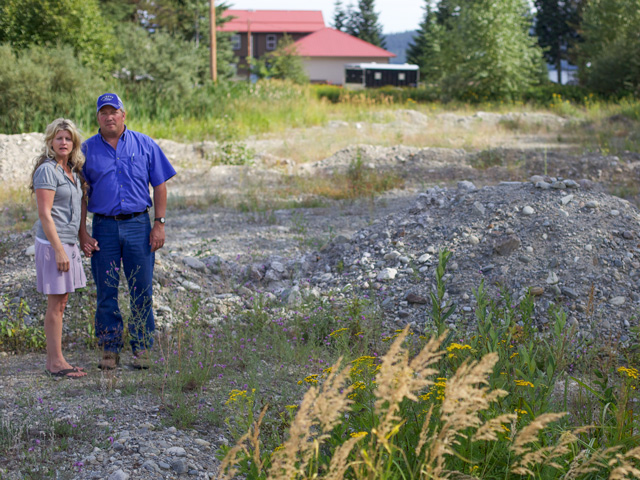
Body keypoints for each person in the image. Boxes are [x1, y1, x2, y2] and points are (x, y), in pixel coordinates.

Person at [80, 93, 176, 370]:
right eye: (103, 112)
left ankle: (142, 347)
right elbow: (81, 194)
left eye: (114, 111)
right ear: (97, 117)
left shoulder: (145, 144)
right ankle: (109, 349)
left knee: (141, 289)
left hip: (138, 225)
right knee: (106, 290)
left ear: (124, 115)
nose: (109, 116)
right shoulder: (86, 150)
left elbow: (159, 185)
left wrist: (159, 223)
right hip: (104, 227)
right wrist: (82, 233)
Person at [31, 118, 88, 379]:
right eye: (58, 138)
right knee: (55, 305)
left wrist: (80, 239)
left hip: (68, 242)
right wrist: (58, 250)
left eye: (67, 138)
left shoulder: (72, 172)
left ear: (73, 142)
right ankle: (55, 363)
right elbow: (45, 214)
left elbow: (73, 212)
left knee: (62, 302)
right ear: (50, 142)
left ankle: (58, 359)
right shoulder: (47, 170)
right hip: (53, 244)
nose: (63, 142)